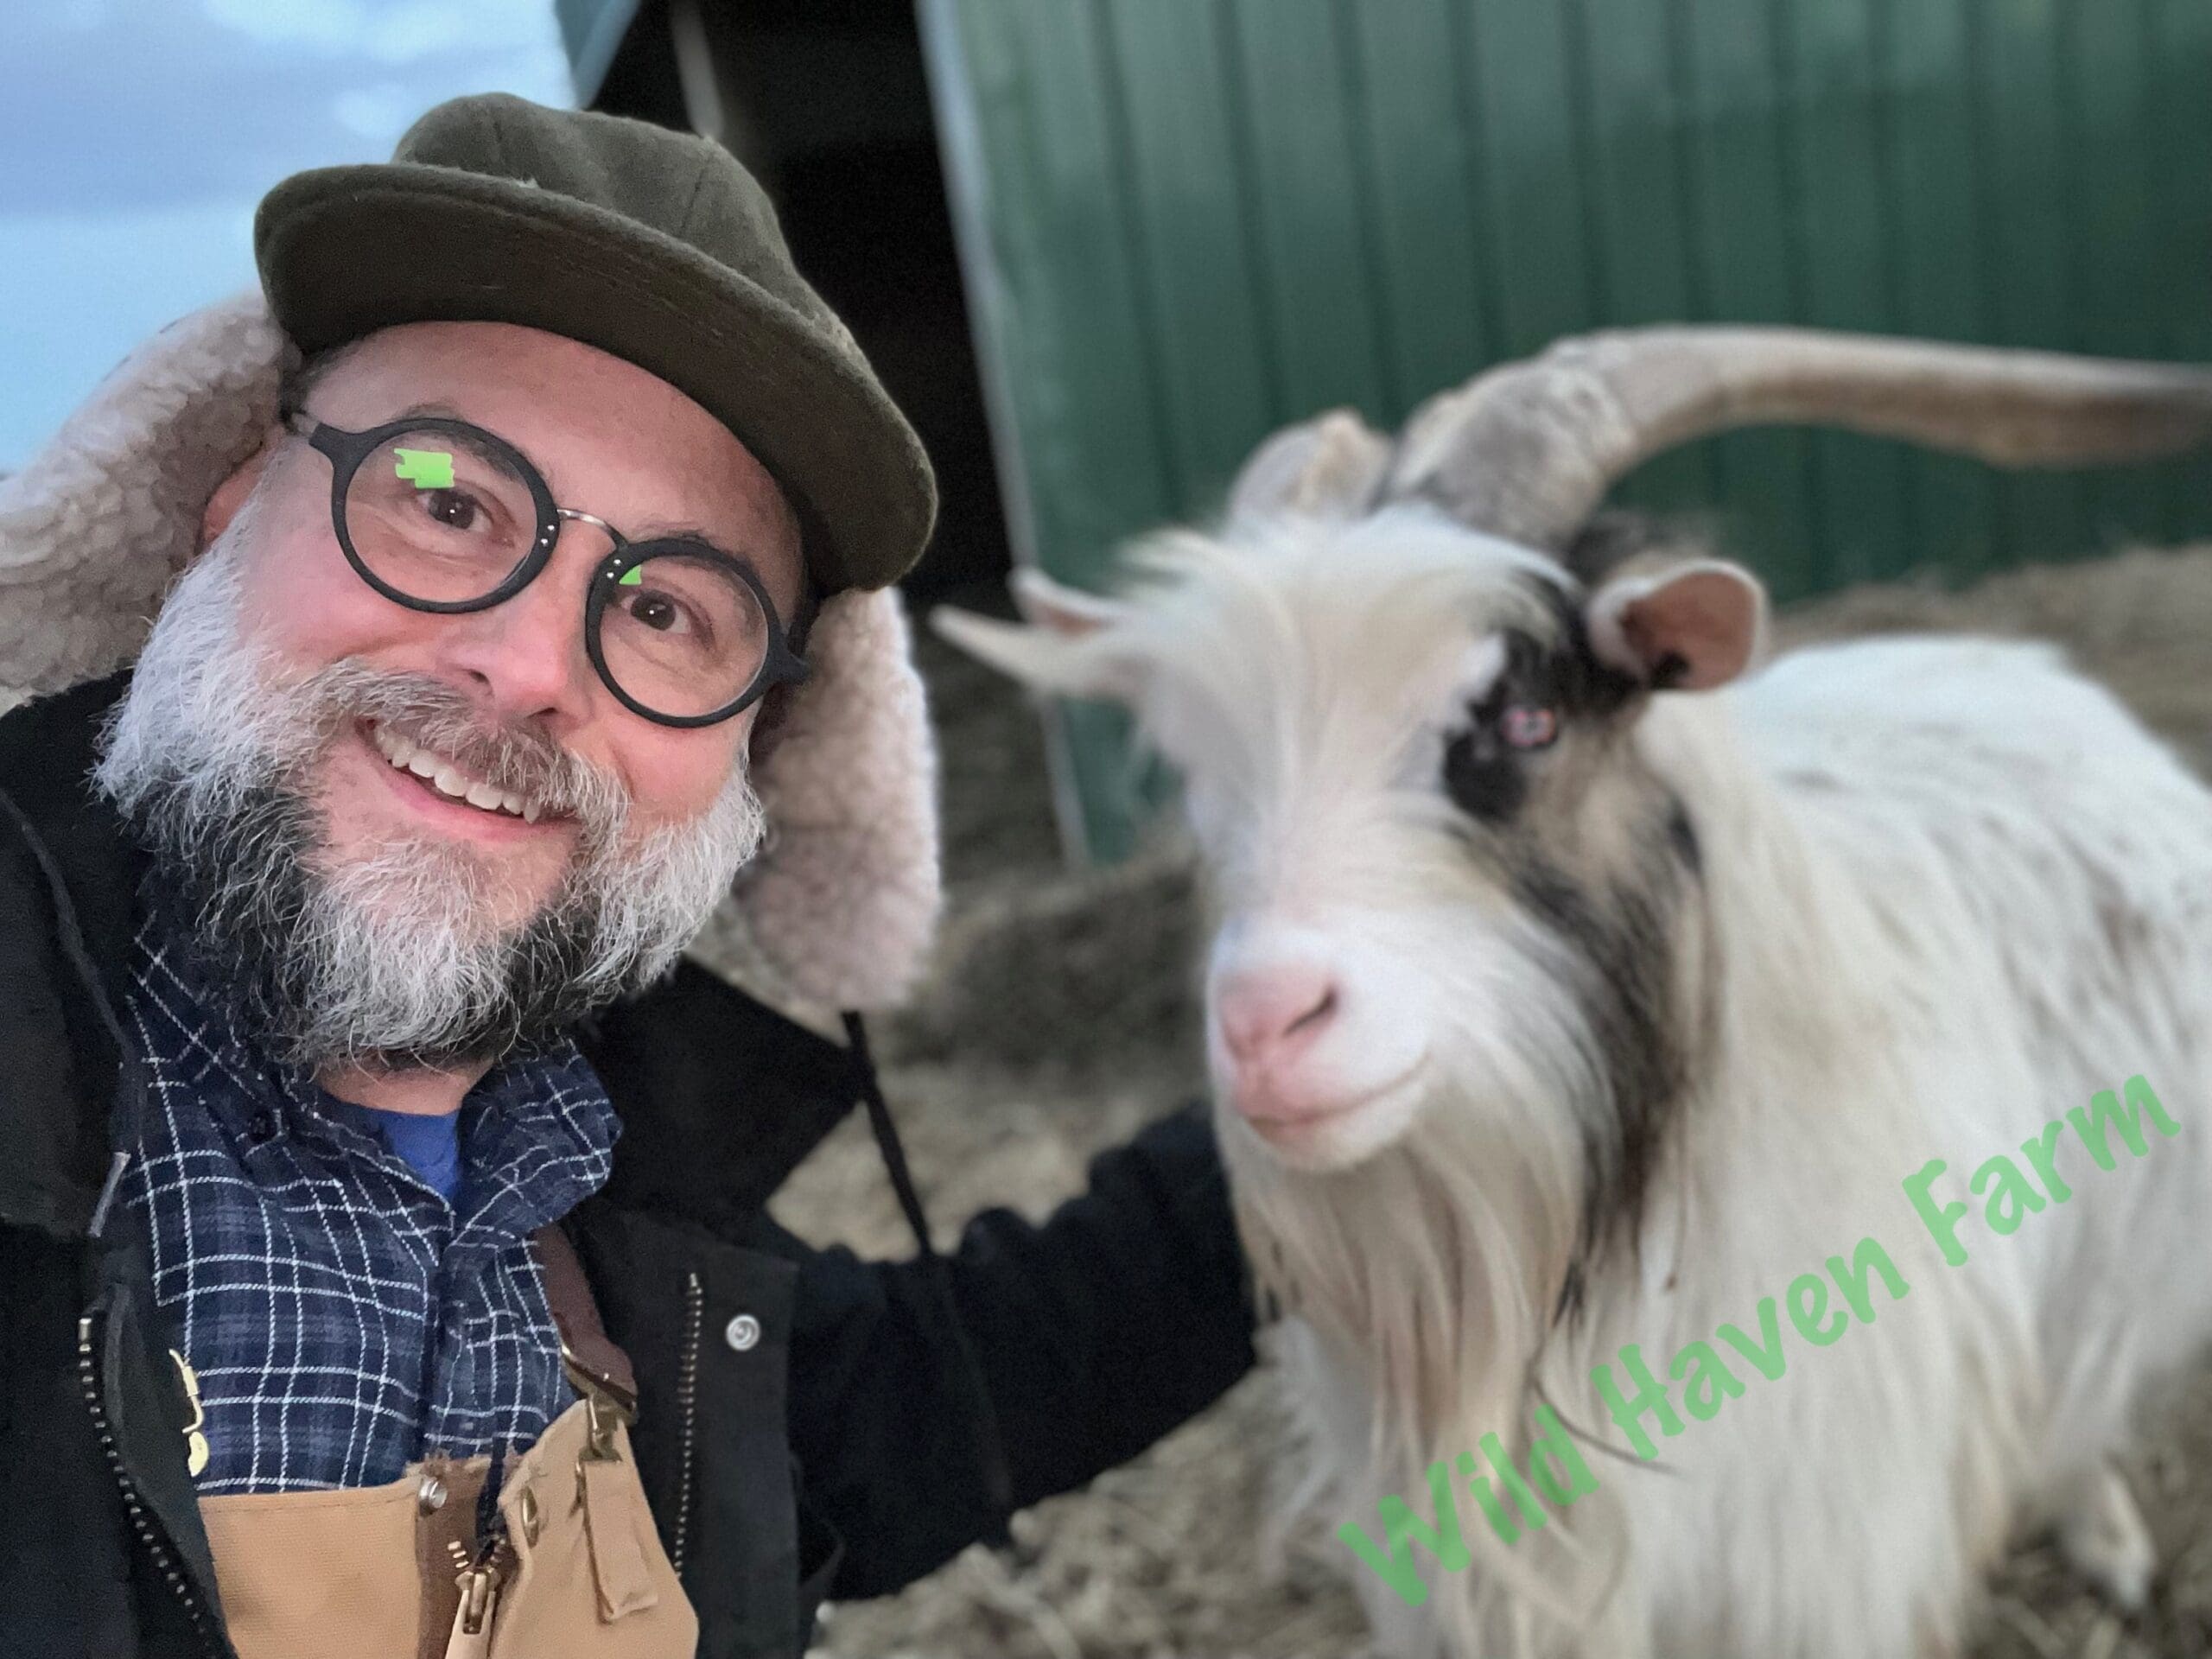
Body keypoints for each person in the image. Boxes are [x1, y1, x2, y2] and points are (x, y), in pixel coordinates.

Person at [0, 92, 1255, 1658]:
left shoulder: (602, 1170)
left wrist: (1293, 1152)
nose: (531, 666)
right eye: (447, 502)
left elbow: (907, 1421)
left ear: (751, 752)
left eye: (669, 610)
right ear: (233, 515)